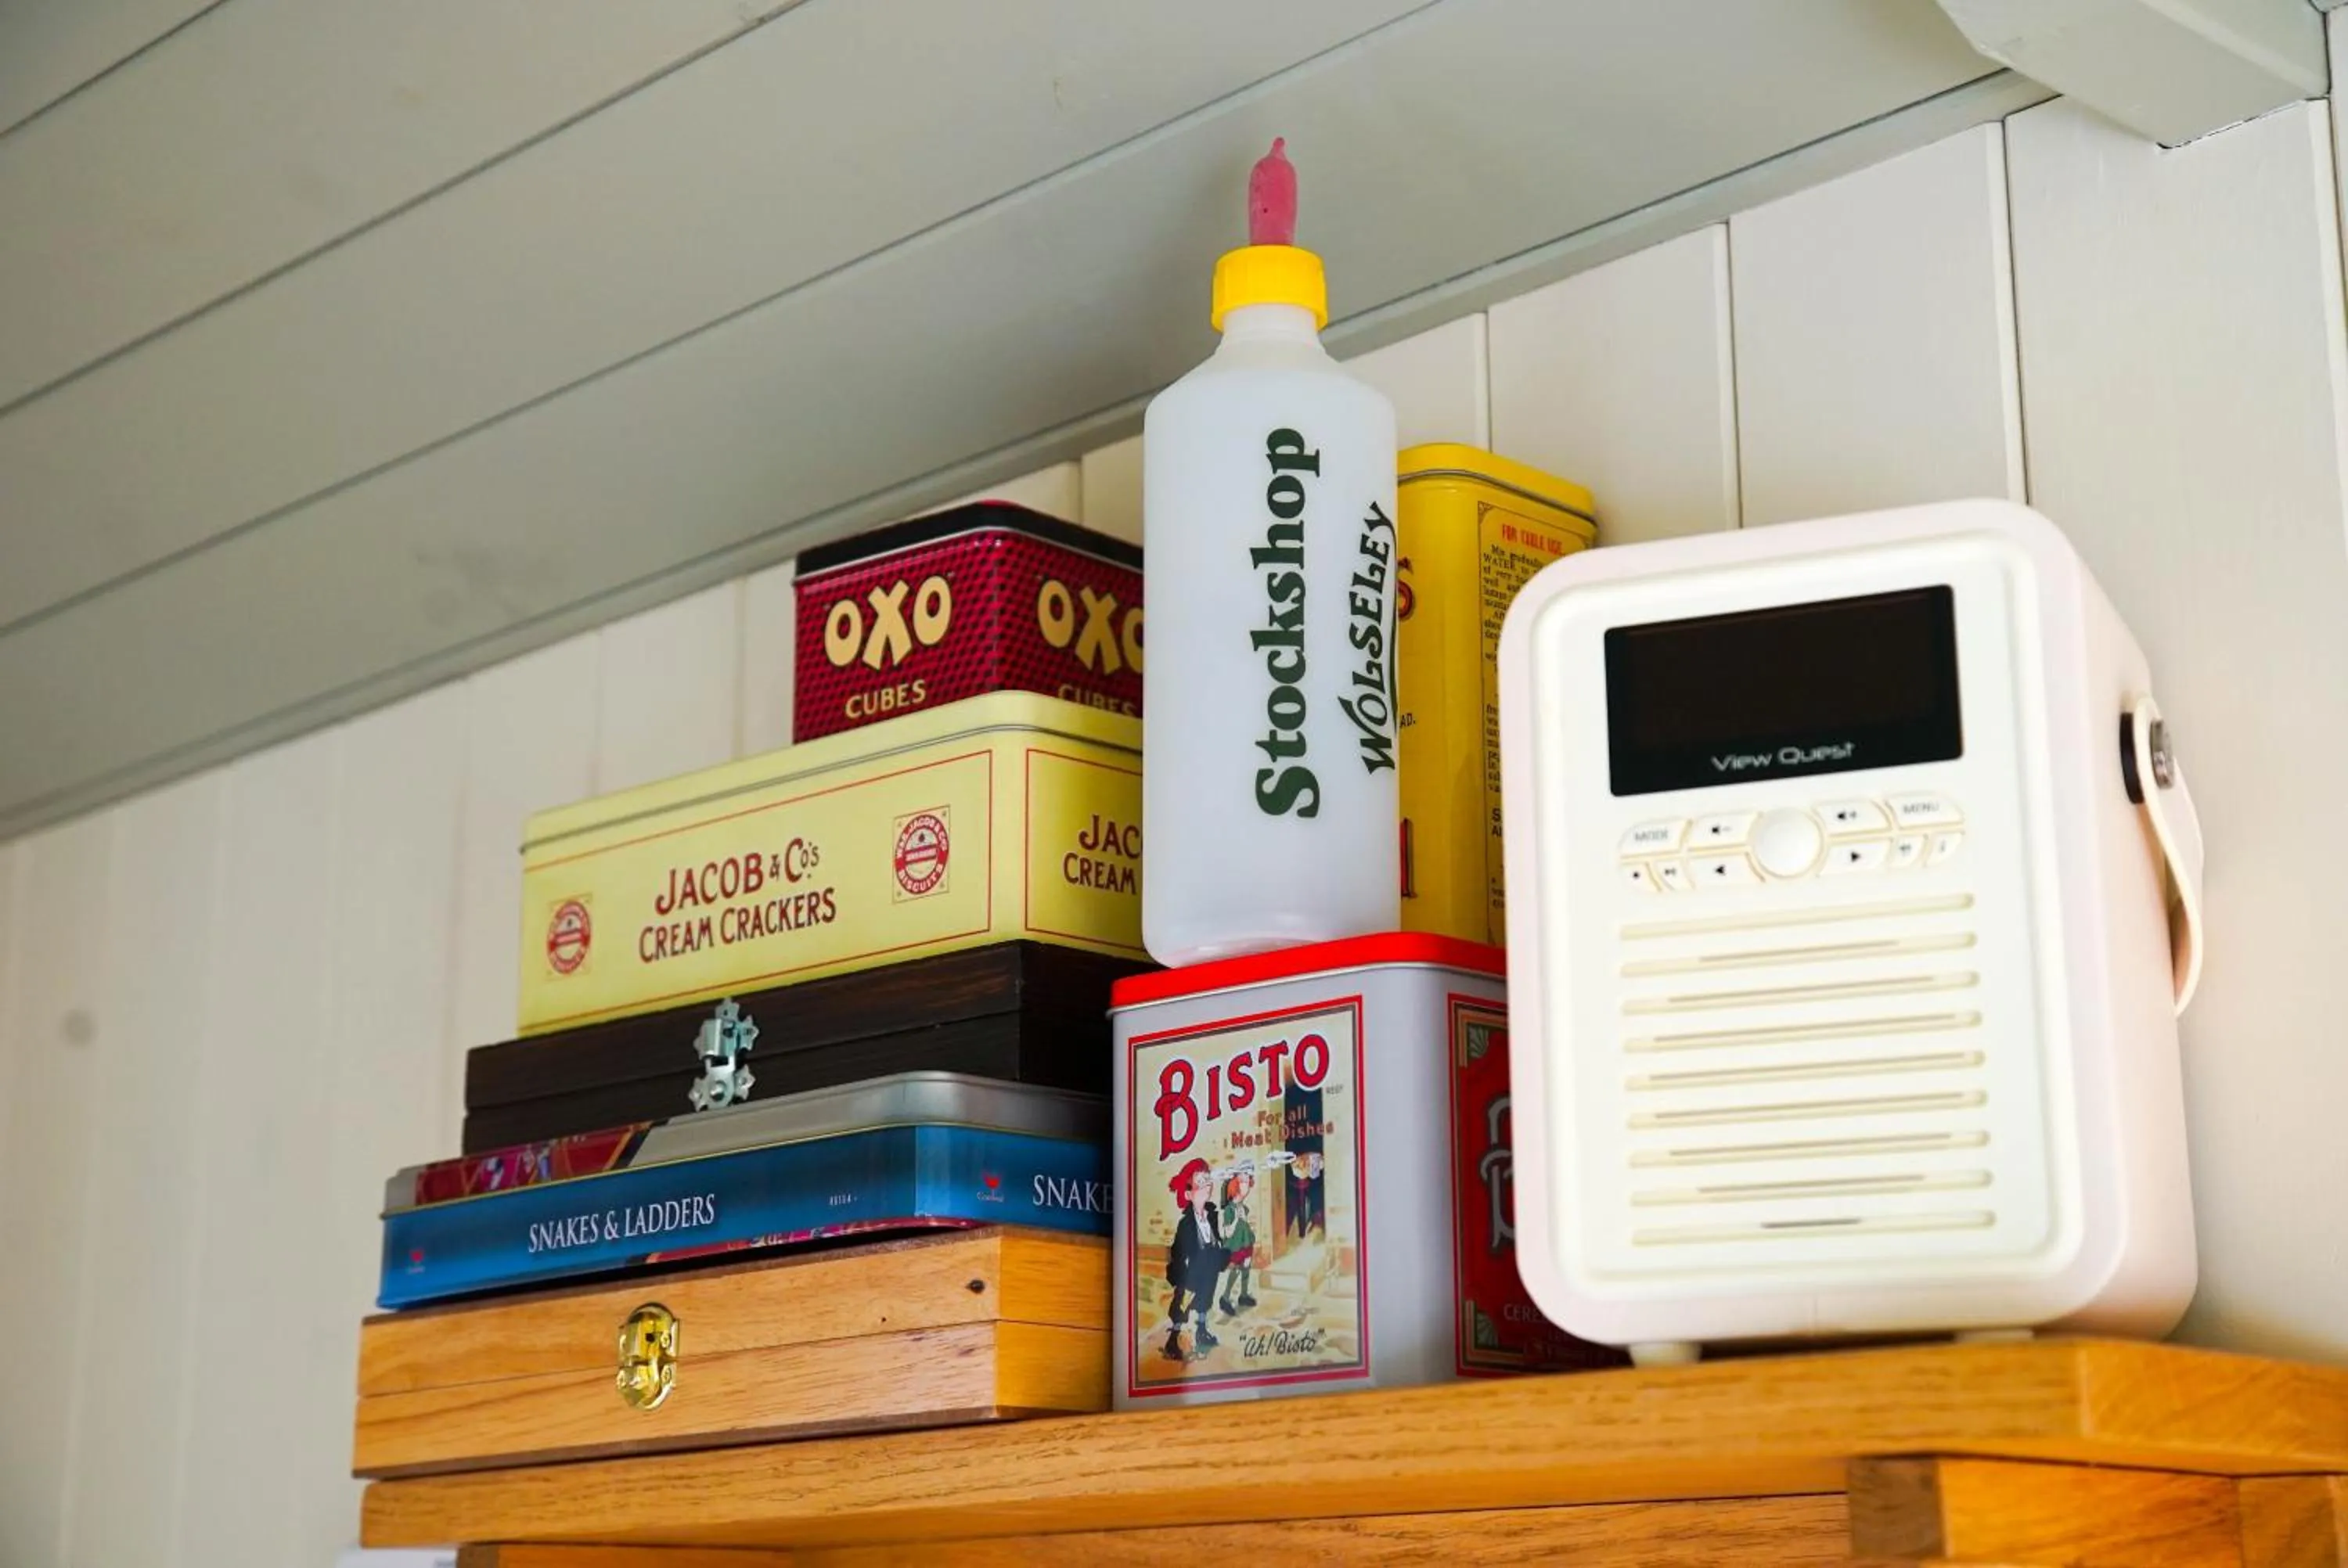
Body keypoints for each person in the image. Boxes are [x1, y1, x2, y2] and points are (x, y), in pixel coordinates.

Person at [1162, 1156, 1227, 1361]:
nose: (1206, 1185)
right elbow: (1179, 1250)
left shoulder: (1212, 1215)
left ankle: (1201, 1331)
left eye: (1207, 1180)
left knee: (1205, 1299)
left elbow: (1216, 1237)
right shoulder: (1186, 1224)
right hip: (1191, 1270)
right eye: (1200, 1182)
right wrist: (1179, 1273)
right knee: (1183, 1304)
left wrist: (1220, 1255)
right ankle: (1173, 1339)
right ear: (1189, 1193)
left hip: (1208, 1264)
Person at [1218, 1167, 1259, 1318]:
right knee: (1234, 1269)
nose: (1247, 1185)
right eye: (1243, 1182)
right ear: (1235, 1186)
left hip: (1246, 1242)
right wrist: (1237, 1218)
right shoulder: (1229, 1209)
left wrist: (1248, 1225)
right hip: (1235, 1245)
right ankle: (1225, 1298)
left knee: (1247, 1266)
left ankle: (1243, 1295)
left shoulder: (1243, 1207)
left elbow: (1244, 1225)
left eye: (1248, 1182)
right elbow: (1227, 1232)